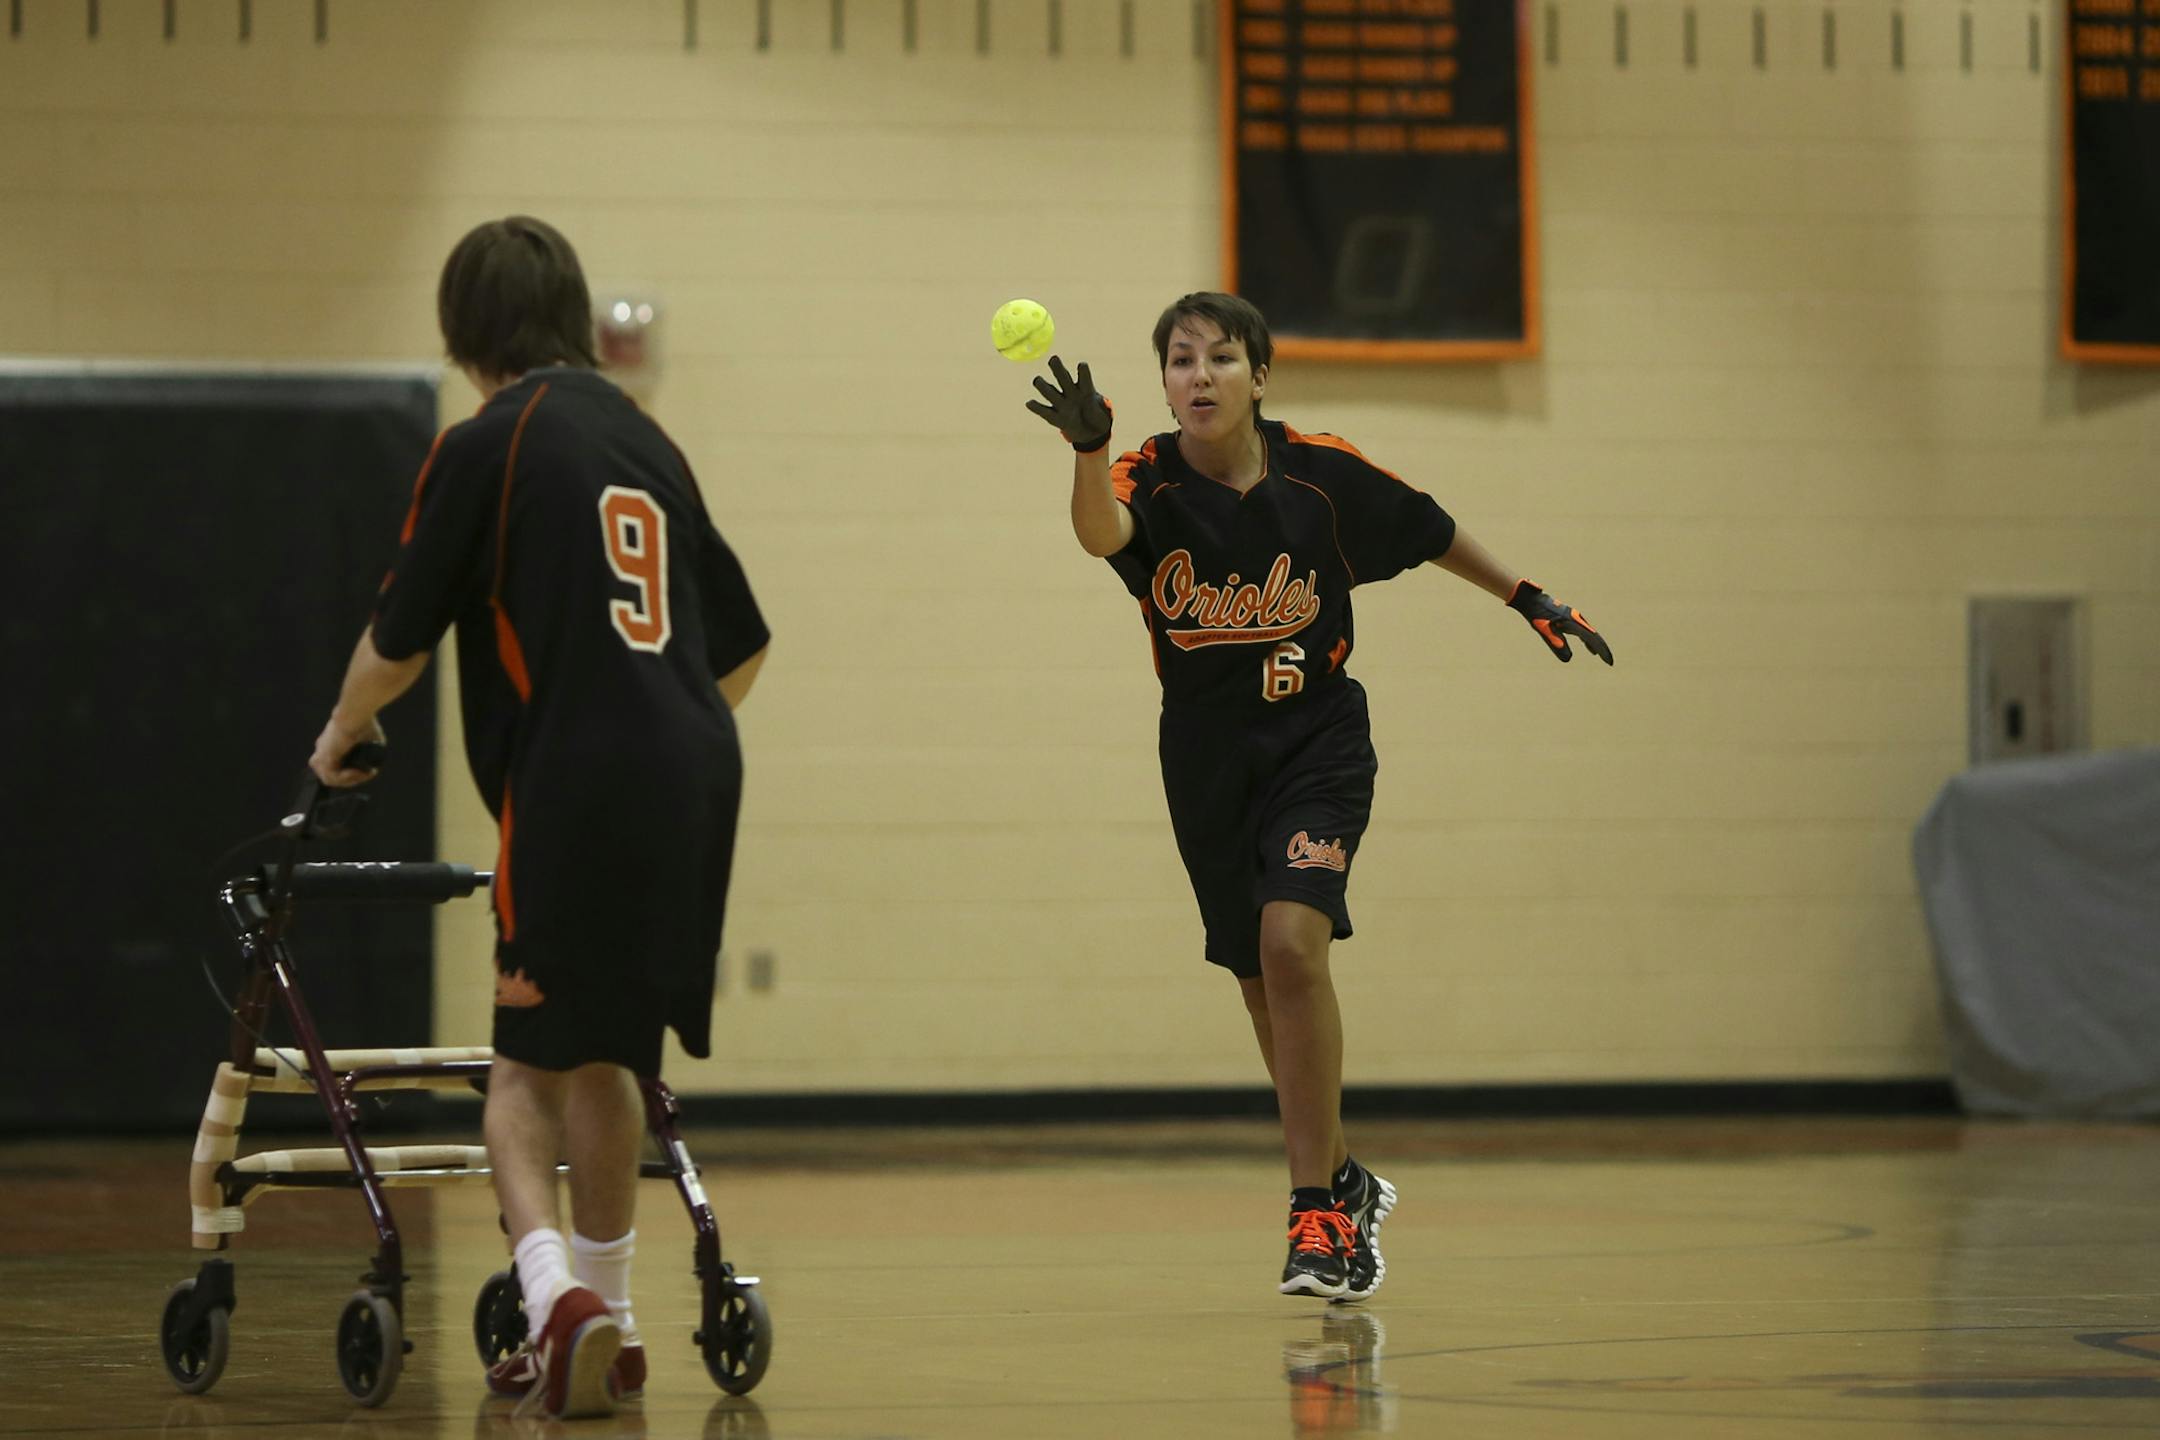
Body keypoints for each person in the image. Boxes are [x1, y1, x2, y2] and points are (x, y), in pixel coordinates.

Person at [1025, 292, 1612, 1303]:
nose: (1198, 375)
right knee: (1261, 982)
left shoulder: (1321, 475)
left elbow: (1429, 531)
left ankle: (1315, 1215)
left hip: (1317, 742)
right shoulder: (1145, 477)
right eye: (1179, 359)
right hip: (1207, 761)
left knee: (1292, 942)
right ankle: (1339, 1176)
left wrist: (1527, 596)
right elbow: (1097, 533)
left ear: (1261, 376)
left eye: (1219, 357)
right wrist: (1087, 449)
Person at [307, 216, 770, 1417]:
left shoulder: (488, 442)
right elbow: (746, 644)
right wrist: (658, 720)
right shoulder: (642, 434)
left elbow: (397, 641)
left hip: (581, 778)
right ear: (567, 315)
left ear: (464, 330)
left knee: (519, 1075)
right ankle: (609, 1331)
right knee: (605, 1051)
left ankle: (554, 1289)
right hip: (699, 767)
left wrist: (340, 734)